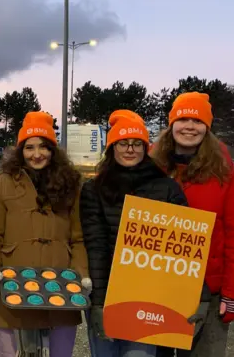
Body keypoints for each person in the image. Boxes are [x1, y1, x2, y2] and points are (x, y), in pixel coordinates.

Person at [149, 92, 234, 357]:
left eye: (197, 121)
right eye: (183, 118)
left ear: (207, 128)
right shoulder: (150, 168)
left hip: (209, 293)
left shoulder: (227, 173)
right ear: (171, 123)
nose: (190, 126)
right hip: (156, 287)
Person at [0, 111, 92, 357]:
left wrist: (81, 273)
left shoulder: (71, 184)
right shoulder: (2, 183)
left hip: (61, 288)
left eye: (43, 146)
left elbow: (78, 237)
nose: (37, 154)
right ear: (21, 150)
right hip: (14, 285)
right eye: (29, 147)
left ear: (53, 149)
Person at [80, 110, 187, 357]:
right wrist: (97, 302)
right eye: (123, 143)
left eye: (137, 143)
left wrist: (190, 299)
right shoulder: (94, 189)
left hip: (147, 297)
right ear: (112, 148)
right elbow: (95, 246)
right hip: (107, 294)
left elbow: (185, 248)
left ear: (145, 147)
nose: (130, 149)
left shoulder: (167, 188)